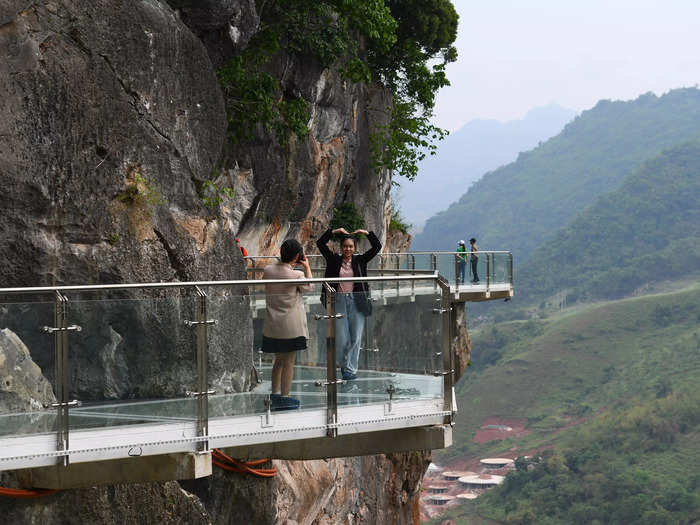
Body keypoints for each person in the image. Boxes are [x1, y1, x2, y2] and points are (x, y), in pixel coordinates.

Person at [317, 226, 382, 380]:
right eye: (345, 246)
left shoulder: (360, 260)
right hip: (338, 300)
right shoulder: (333, 259)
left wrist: (367, 233)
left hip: (357, 301)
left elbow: (377, 247)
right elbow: (320, 244)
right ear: (341, 247)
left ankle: (350, 369)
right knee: (342, 338)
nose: (348, 249)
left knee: (356, 337)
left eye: (350, 246)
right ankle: (344, 365)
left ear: (354, 248)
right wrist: (334, 231)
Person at [262, 239, 312, 410]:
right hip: (291, 327)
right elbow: (309, 287)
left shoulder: (268, 270)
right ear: (298, 256)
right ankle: (285, 396)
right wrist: (306, 267)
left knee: (278, 361)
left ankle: (275, 394)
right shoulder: (296, 275)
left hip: (273, 324)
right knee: (289, 362)